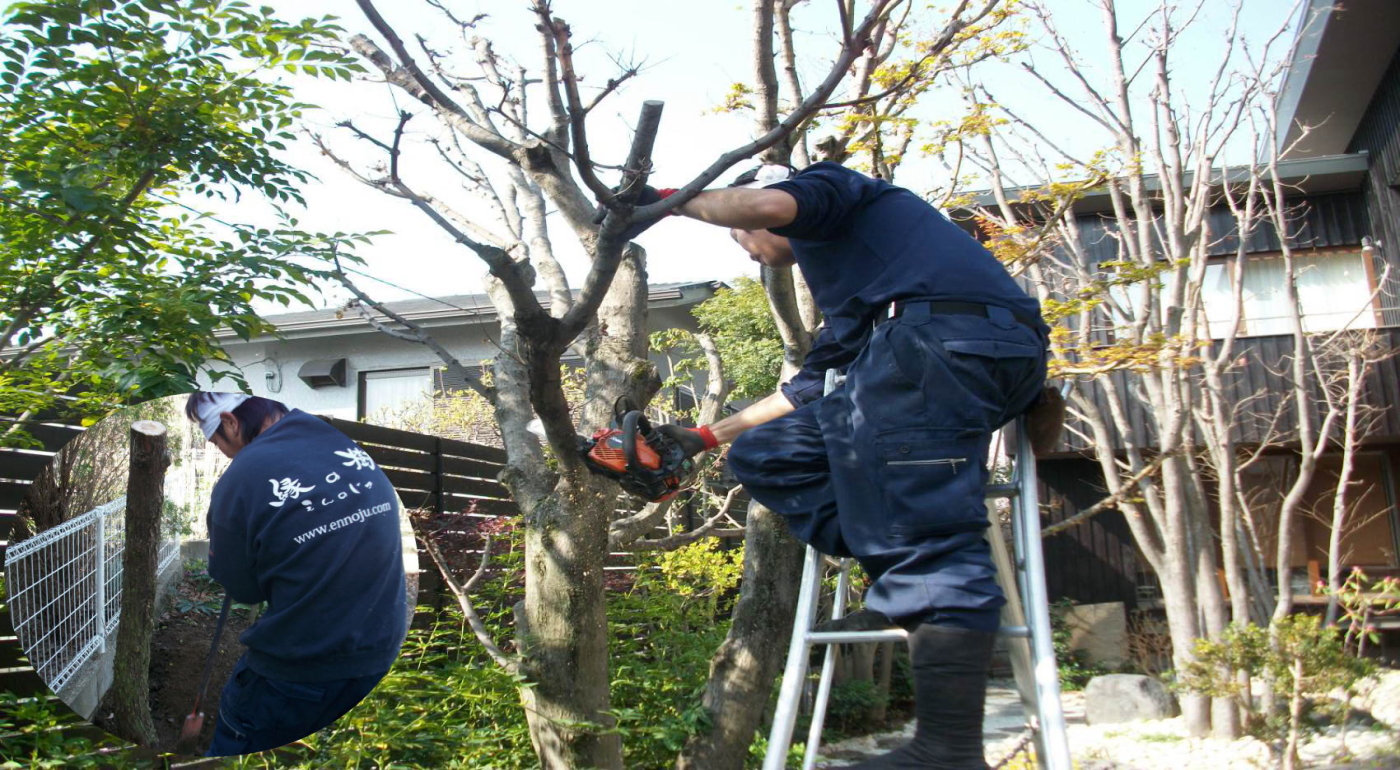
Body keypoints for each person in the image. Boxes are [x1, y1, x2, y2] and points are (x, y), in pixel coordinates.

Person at [632, 162, 1055, 769]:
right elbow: (809, 386)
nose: (749, 249)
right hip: (948, 353)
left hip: (935, 349)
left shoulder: (831, 191)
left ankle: (948, 751)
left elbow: (767, 209)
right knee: (772, 455)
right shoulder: (865, 275)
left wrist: (667, 201)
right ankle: (900, 574)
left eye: (741, 236)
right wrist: (702, 437)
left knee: (924, 539)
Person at [185, 392, 408, 756]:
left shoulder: (241, 477)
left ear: (230, 422)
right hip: (381, 653)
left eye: (215, 442)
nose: (220, 453)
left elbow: (244, 589)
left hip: (299, 668)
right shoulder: (342, 441)